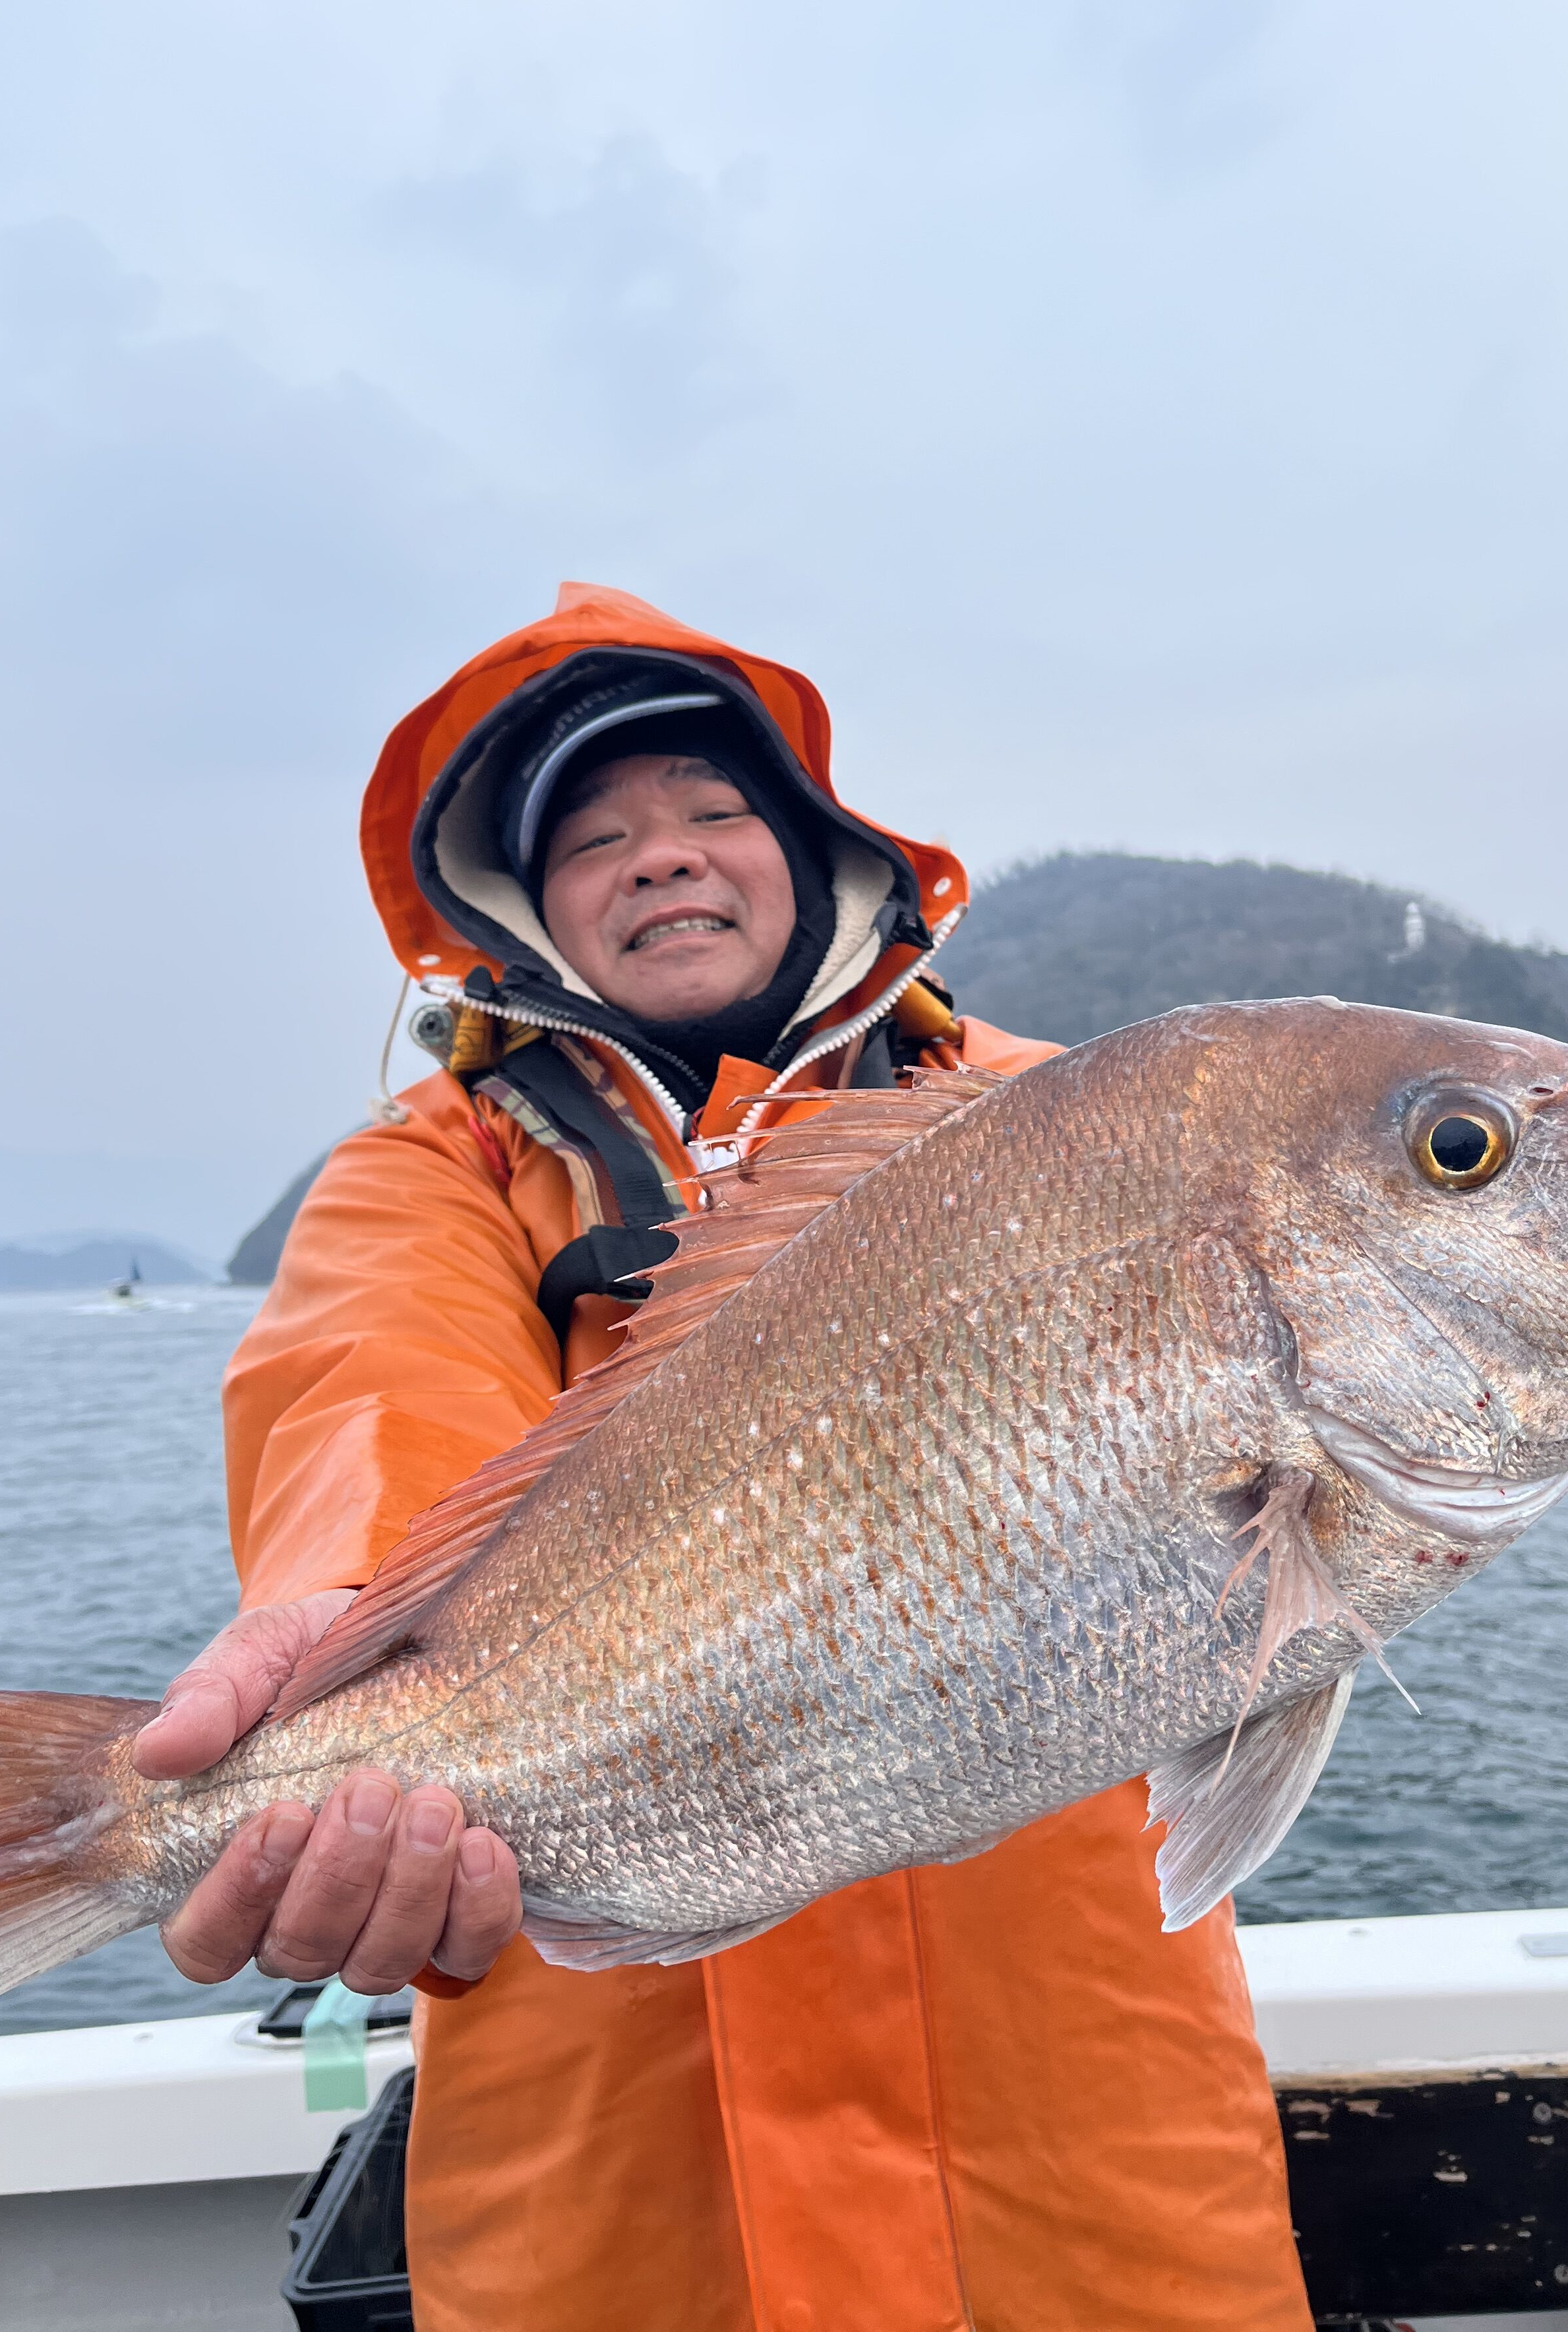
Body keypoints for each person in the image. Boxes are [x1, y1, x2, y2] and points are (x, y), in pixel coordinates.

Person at [134, 584, 1313, 2332]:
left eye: (708, 812)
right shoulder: (436, 1173)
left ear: (809, 851)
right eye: (597, 837)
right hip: (619, 2155)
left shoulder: (1063, 1125)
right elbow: (367, 1392)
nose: (661, 855)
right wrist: (340, 1623)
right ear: (523, 906)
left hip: (1082, 2106)